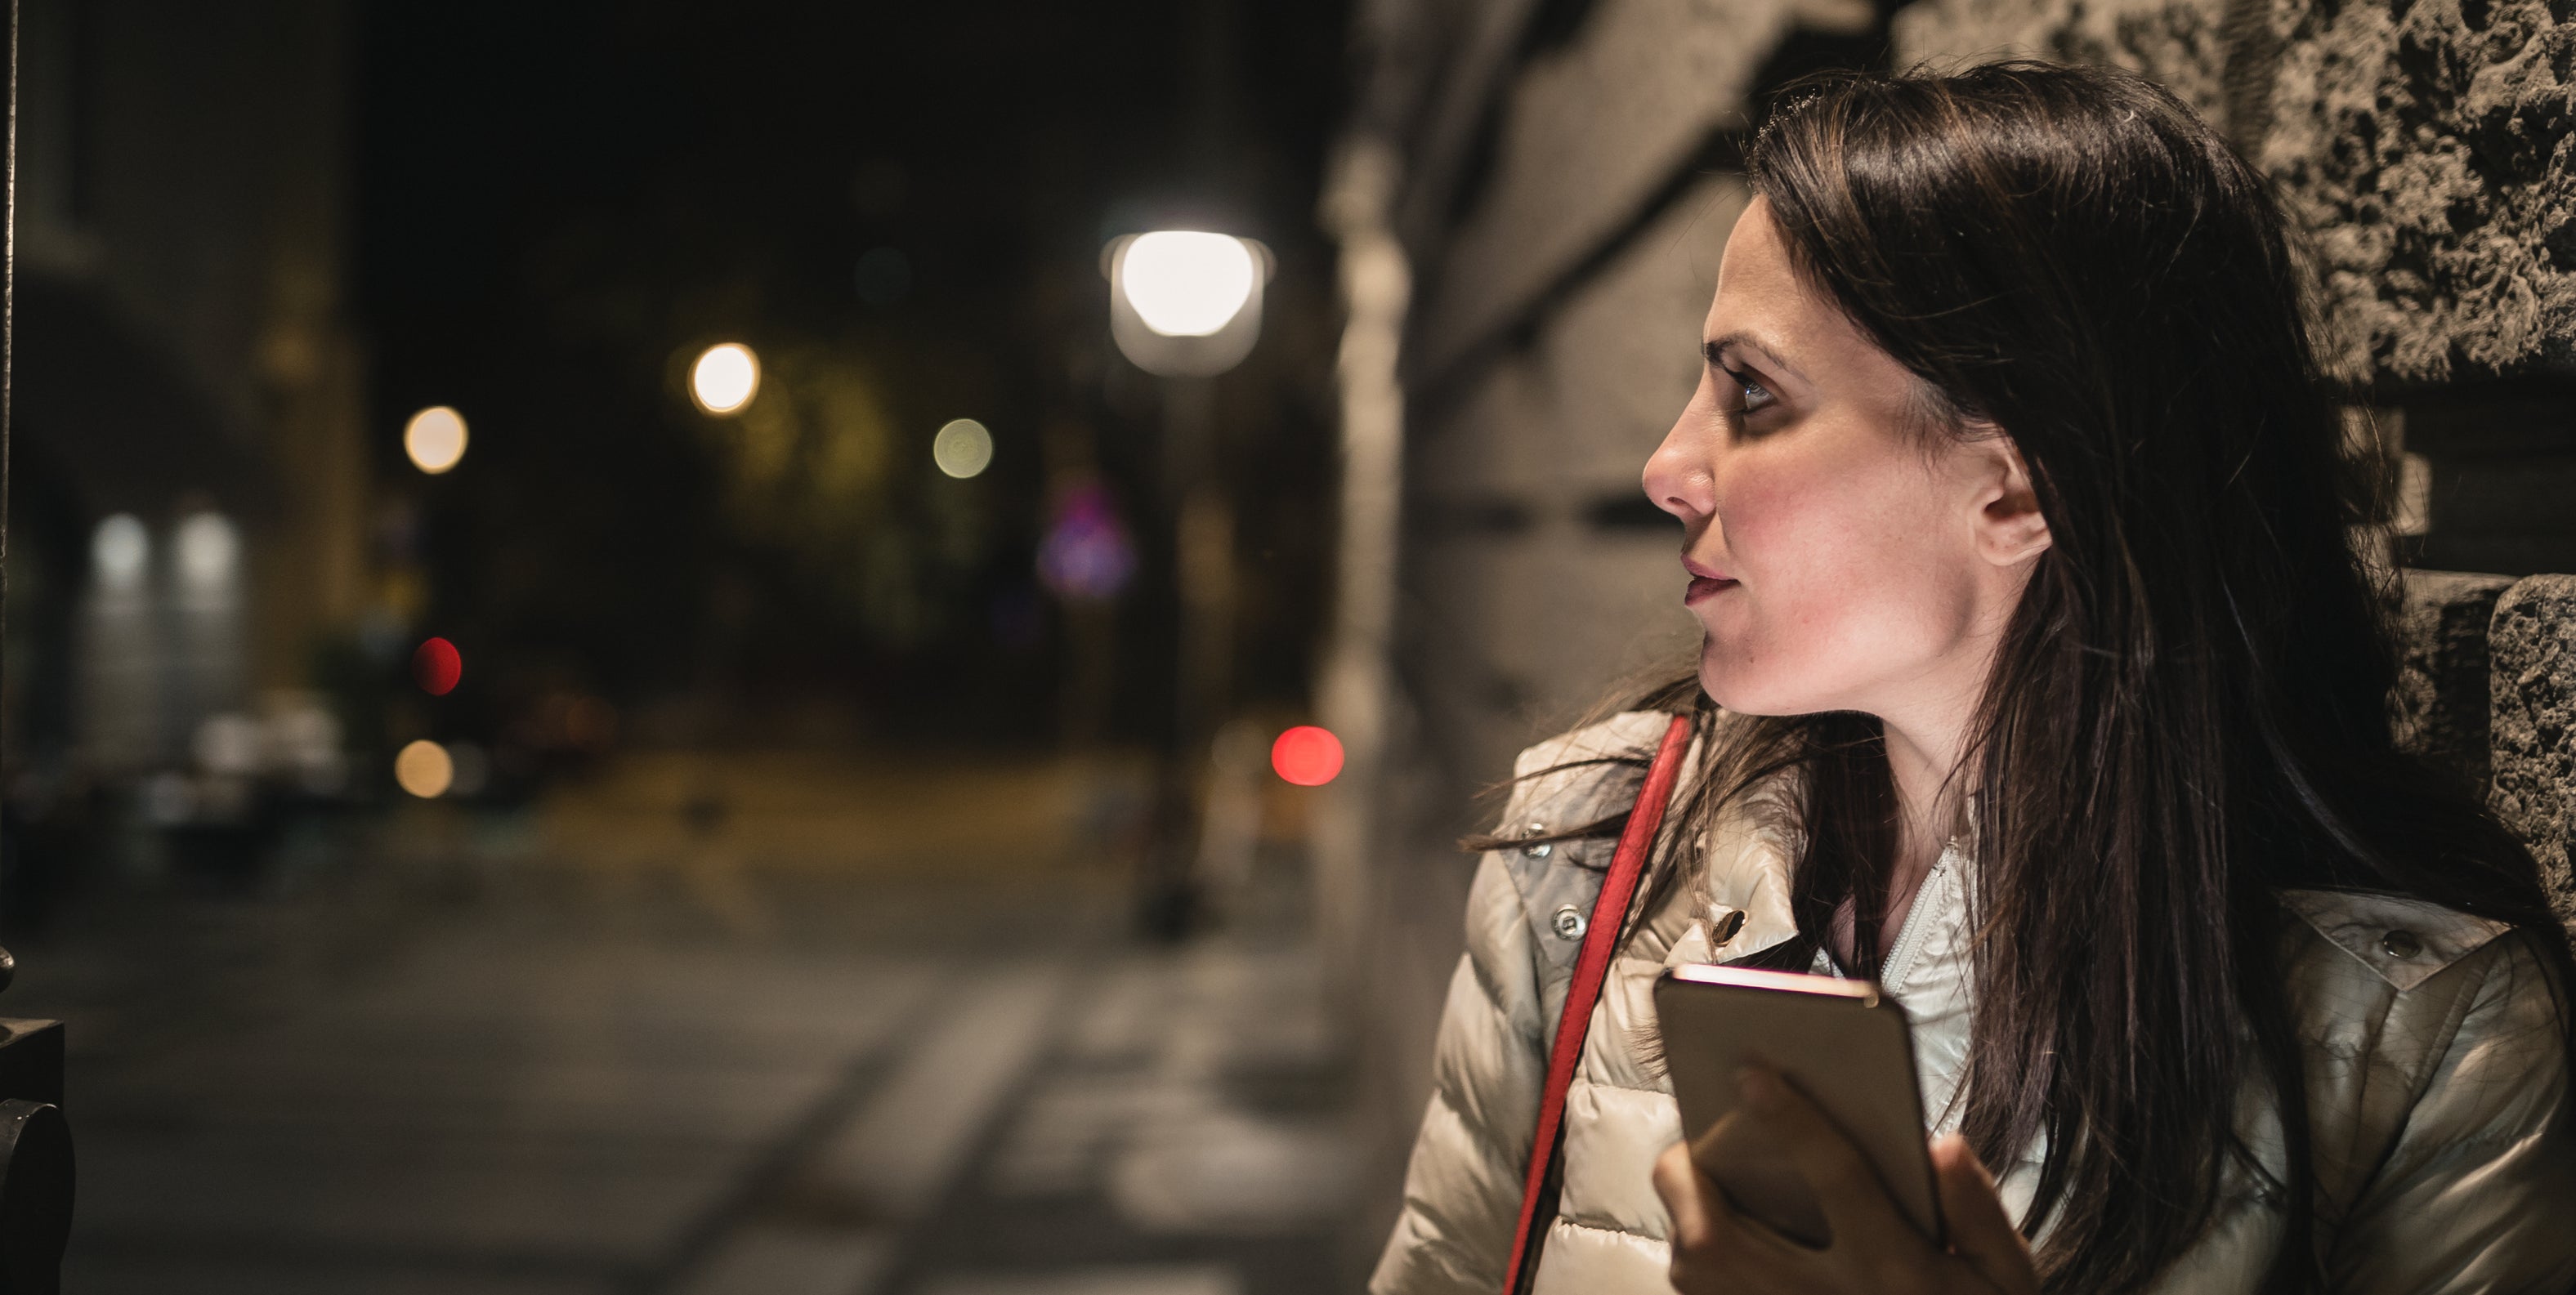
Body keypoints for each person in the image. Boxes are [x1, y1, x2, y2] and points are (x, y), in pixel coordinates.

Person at [1369, 60, 2576, 1295]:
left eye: (1753, 393)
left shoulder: (2425, 1046)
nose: (1667, 465)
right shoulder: (1587, 852)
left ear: (2015, 485)